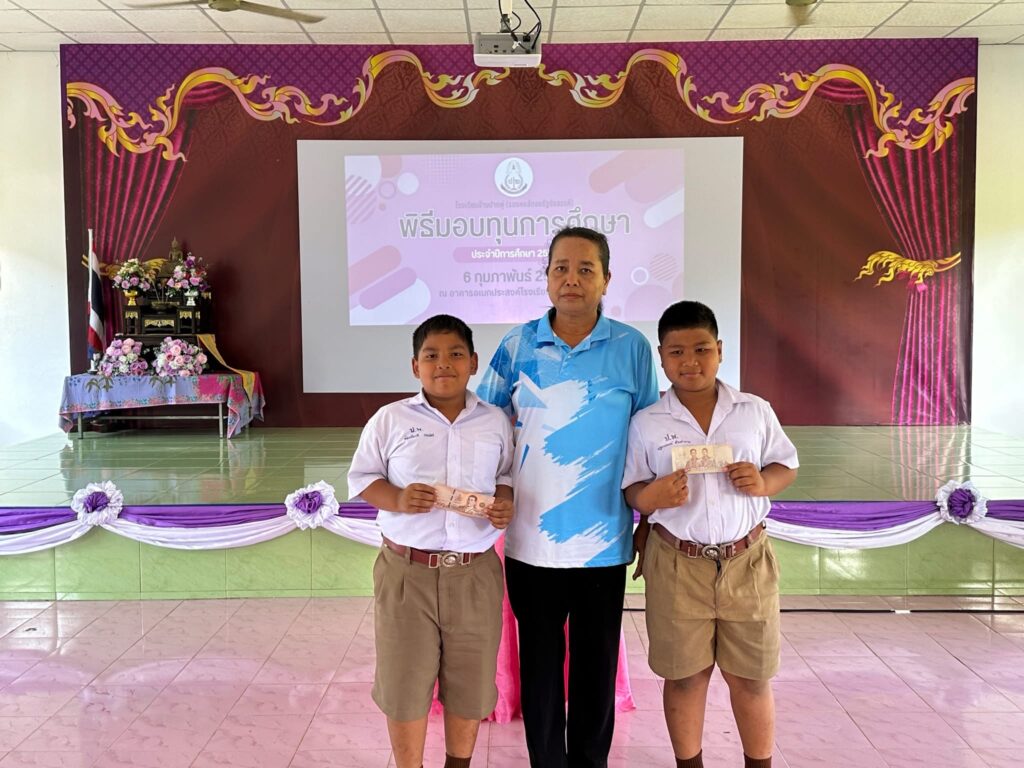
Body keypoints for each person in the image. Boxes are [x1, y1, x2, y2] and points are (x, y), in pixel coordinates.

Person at [477, 227, 658, 767]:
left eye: (585, 269)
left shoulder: (631, 348)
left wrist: (649, 519)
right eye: (561, 268)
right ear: (547, 277)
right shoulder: (518, 345)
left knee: (595, 670)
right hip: (531, 542)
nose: (571, 279)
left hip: (603, 541)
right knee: (539, 668)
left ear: (606, 279)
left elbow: (648, 436)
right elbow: (486, 427)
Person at [623, 300, 799, 768]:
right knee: (684, 677)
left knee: (751, 677)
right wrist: (653, 495)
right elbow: (633, 490)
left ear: (719, 350)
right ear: (662, 358)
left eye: (701, 349)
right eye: (677, 352)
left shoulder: (753, 410)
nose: (690, 361)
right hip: (677, 563)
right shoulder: (647, 423)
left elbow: (786, 465)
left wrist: (763, 482)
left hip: (747, 561)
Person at [347, 314, 515, 768]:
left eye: (456, 354)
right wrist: (399, 499)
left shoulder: (494, 421)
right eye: (431, 355)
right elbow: (363, 479)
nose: (444, 364)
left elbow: (505, 476)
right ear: (414, 366)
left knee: (470, 685)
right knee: (404, 686)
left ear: (473, 362)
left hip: (474, 573)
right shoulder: (390, 419)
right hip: (407, 573)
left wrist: (503, 501)